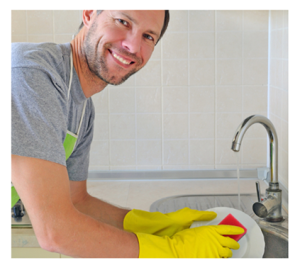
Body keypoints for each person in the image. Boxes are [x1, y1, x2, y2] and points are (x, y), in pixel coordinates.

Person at [11, 10, 244, 258]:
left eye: (148, 36)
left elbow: (77, 201)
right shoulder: (30, 74)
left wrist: (151, 222)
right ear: (90, 14)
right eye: (123, 22)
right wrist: (171, 251)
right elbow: (54, 231)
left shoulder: (82, 109)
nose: (132, 46)